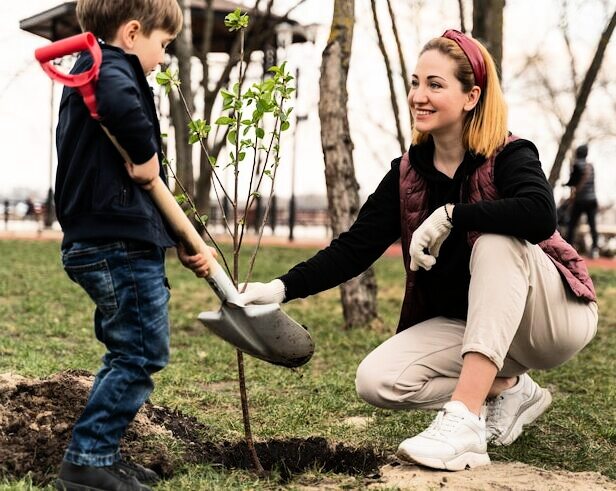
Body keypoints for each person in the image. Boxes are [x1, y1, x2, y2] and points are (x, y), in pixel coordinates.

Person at [238, 29, 598, 471]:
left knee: (498, 240)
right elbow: (354, 248)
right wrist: (279, 288)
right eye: (415, 82)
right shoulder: (408, 174)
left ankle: (464, 420)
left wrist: (452, 215)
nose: (418, 96)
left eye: (435, 84)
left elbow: (540, 215)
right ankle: (507, 388)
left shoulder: (510, 153)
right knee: (378, 380)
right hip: (478, 328)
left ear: (471, 96)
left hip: (553, 319)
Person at [54, 1, 216, 489]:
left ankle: (99, 454)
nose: (163, 59)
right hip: (115, 244)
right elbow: (123, 108)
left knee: (127, 351)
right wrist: (146, 155)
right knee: (141, 353)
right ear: (131, 33)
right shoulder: (107, 68)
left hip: (109, 239)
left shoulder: (95, 68)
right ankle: (87, 460)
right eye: (163, 46)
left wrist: (178, 241)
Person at [565, 144, 599, 258]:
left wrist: (565, 184)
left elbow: (573, 181)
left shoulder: (576, 165)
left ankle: (568, 247)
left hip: (580, 201)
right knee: (592, 225)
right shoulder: (591, 166)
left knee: (572, 224)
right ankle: (595, 248)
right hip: (592, 200)